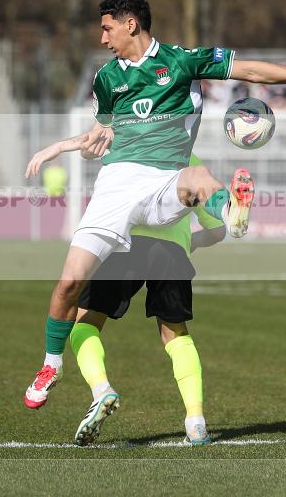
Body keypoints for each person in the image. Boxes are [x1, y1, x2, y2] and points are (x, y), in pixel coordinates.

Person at [23, 0, 286, 412]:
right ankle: (50, 365)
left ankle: (233, 212)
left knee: (199, 178)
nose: (103, 38)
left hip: (166, 178)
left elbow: (249, 68)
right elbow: (100, 132)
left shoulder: (183, 61)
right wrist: (65, 147)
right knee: (68, 284)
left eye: (107, 28)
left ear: (131, 24)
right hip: (117, 185)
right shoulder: (107, 78)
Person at [67, 153, 225, 447]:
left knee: (84, 323)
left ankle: (102, 390)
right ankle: (196, 421)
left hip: (124, 242)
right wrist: (190, 241)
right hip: (171, 251)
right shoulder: (191, 159)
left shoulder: (130, 145)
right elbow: (218, 231)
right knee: (176, 335)